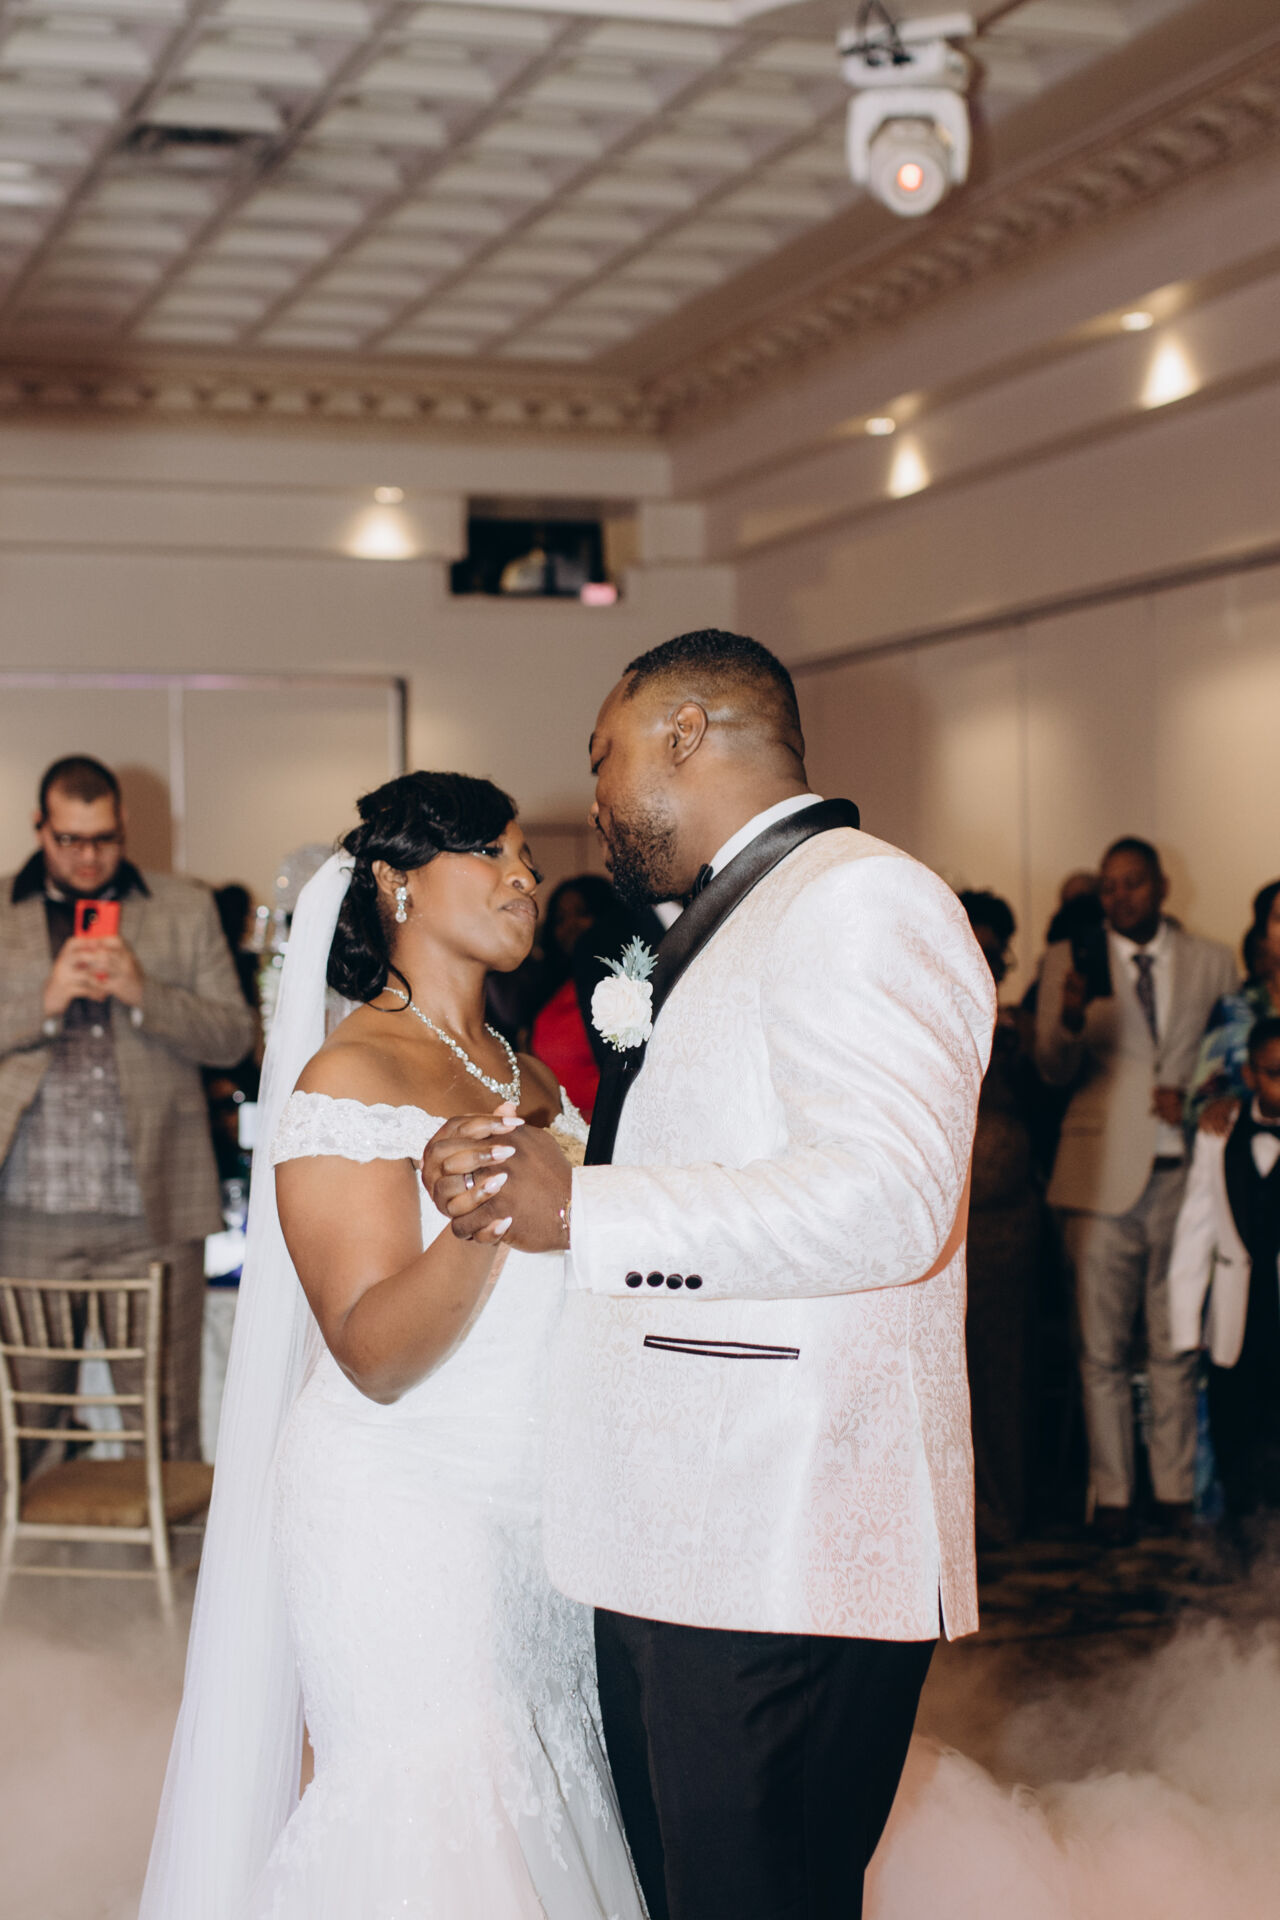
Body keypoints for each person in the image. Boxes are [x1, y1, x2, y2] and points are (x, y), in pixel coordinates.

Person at [429, 629, 995, 1920]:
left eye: (602, 756)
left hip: (783, 1536)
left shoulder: (860, 899)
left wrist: (584, 1207)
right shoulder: (731, 918)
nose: (592, 800)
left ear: (685, 733)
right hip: (684, 1534)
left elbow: (889, 1199)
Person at [141, 772, 643, 1920]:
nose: (525, 879)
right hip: (402, 1507)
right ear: (396, 883)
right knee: (437, 1823)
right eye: (494, 855)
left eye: (526, 860)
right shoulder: (349, 1076)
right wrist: (478, 1221)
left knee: (542, 1800)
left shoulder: (528, 1074)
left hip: (537, 1509)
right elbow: (371, 1353)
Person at [0, 755, 256, 1463]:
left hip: (155, 1211)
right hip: (26, 1213)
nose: (88, 857)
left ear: (125, 825)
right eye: (70, 840)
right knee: (27, 1432)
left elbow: (235, 1036)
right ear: (39, 827)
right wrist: (44, 1002)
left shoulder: (184, 906)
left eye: (104, 839)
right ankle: (33, 1538)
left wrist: (146, 993)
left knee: (164, 1427)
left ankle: (170, 1541)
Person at [1034, 837, 1237, 1542]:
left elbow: (1227, 1061)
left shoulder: (1213, 960)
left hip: (1185, 1175)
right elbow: (1051, 1070)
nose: (1120, 897)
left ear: (1161, 886)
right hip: (1097, 1179)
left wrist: (1199, 1095)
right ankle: (1115, 1495)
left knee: (1175, 1340)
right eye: (1110, 886)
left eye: (1134, 883)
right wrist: (1067, 1018)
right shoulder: (1069, 959)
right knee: (1102, 1349)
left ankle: (1176, 1490)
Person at [1169, 1014, 1280, 1557]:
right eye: (1274, 1073)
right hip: (1234, 1317)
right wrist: (1185, 1325)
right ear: (1251, 1075)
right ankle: (1239, 1548)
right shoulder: (1220, 1134)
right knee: (1235, 1428)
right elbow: (1195, 1230)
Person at [959, 890, 1046, 1545]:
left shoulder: (1023, 1031)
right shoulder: (923, 1008)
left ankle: (1006, 1506)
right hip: (946, 1222)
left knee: (1004, 1368)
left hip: (1007, 1225)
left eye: (995, 952)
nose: (986, 961)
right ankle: (962, 1511)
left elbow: (1048, 1107)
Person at [531, 876, 665, 1117]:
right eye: (560, 919)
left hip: (610, 1125)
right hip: (562, 1127)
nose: (570, 926)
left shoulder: (624, 988)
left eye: (582, 913)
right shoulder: (552, 989)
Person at [1185, 878, 1280, 1135]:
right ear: (1263, 935)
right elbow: (1196, 1103)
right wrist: (1216, 1106)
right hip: (1249, 1149)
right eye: (1279, 918)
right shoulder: (1235, 1010)